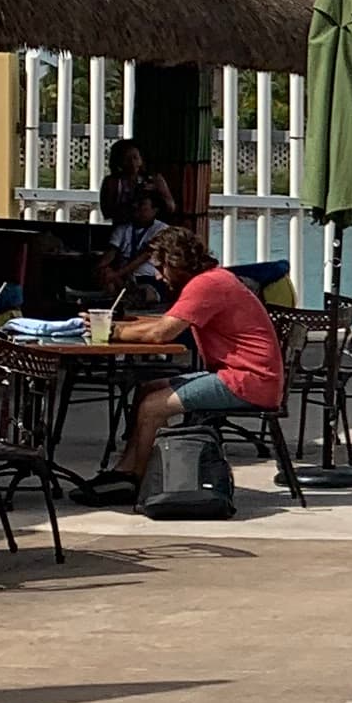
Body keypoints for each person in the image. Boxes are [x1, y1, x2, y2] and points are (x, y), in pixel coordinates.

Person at [101, 223, 286, 497]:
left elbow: (160, 333)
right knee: (146, 390)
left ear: (175, 263)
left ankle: (137, 483)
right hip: (241, 374)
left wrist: (110, 332)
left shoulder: (206, 285)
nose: (158, 276)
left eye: (160, 268)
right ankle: (125, 469)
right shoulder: (212, 278)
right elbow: (163, 326)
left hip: (249, 380)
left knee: (153, 406)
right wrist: (117, 331)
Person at [97, 139, 176, 272]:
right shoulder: (113, 182)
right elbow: (107, 211)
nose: (132, 163)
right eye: (127, 159)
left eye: (135, 158)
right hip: (123, 231)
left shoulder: (154, 179)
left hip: (150, 229)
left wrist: (155, 193)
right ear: (118, 161)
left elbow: (171, 207)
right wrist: (130, 206)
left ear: (141, 159)